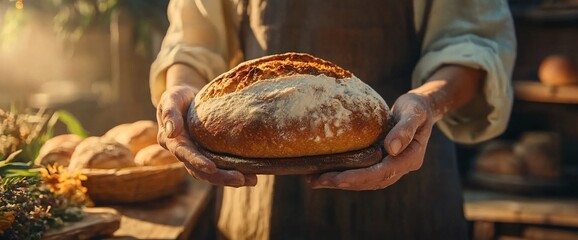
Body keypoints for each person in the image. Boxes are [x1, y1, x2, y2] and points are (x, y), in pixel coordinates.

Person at [150, 0, 516, 239]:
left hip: (404, 162)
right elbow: (194, 40)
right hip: (257, 181)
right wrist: (181, 89)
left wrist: (428, 102)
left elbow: (473, 42)